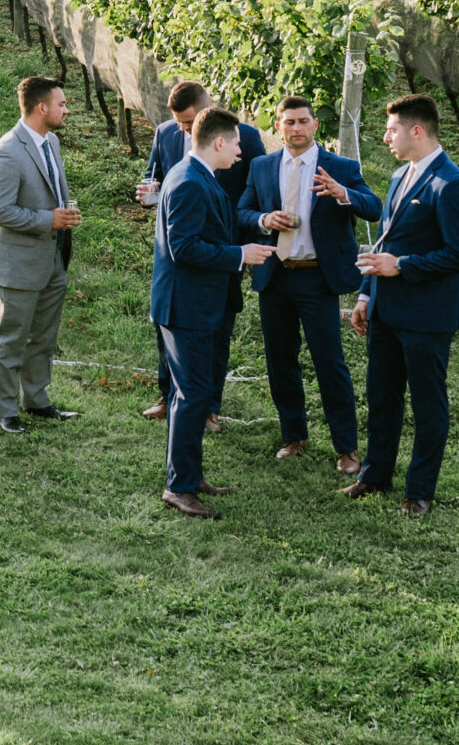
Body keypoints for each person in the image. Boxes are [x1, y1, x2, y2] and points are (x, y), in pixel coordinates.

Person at [342, 95, 459, 518]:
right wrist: (367, 294)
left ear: (416, 131)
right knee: (382, 398)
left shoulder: (452, 184)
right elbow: (386, 243)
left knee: (427, 405)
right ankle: (375, 474)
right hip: (386, 310)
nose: (385, 137)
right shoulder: (401, 174)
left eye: (392, 129)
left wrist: (400, 267)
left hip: (427, 317)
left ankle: (419, 492)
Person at [236, 95, 381, 474]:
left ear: (315, 124)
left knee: (329, 363)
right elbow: (242, 212)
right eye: (289, 122)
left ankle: (346, 447)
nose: (296, 128)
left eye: (303, 121)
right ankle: (293, 435)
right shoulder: (262, 166)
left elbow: (374, 207)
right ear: (279, 126)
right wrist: (265, 219)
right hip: (276, 275)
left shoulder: (340, 166)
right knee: (280, 360)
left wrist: (343, 194)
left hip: (318, 277)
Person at [154, 108, 276, 518]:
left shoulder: (199, 175)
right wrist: (240, 254)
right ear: (219, 142)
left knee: (192, 393)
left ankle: (189, 474)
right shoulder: (189, 182)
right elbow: (183, 248)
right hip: (187, 306)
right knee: (190, 395)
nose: (243, 150)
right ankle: (179, 487)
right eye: (238, 142)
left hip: (199, 302)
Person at [136, 80, 267, 426]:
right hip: (187, 253)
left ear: (207, 108)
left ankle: (207, 406)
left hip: (224, 249)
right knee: (176, 330)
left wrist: (247, 240)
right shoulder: (166, 135)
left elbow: (257, 189)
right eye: (179, 121)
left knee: (217, 331)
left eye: (189, 120)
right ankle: (173, 397)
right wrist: (150, 194)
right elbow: (158, 178)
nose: (184, 128)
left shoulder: (244, 138)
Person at [0, 75, 82, 433]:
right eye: (62, 104)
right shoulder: (7, 151)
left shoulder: (49, 141)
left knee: (43, 335)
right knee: (11, 337)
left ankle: (36, 399)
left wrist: (61, 218)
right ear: (42, 108)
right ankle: (3, 410)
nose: (66, 109)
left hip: (52, 257)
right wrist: (48, 219)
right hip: (17, 263)